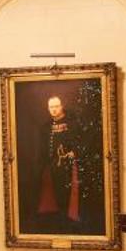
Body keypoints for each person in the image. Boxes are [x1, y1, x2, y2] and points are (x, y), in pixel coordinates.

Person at [36, 93, 82, 228]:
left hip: (68, 165)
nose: (54, 109)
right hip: (52, 165)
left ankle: (68, 218)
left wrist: (75, 152)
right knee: (53, 193)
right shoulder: (45, 126)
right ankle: (58, 219)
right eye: (51, 107)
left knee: (67, 193)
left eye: (56, 106)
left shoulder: (72, 123)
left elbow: (80, 141)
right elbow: (42, 149)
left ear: (62, 106)